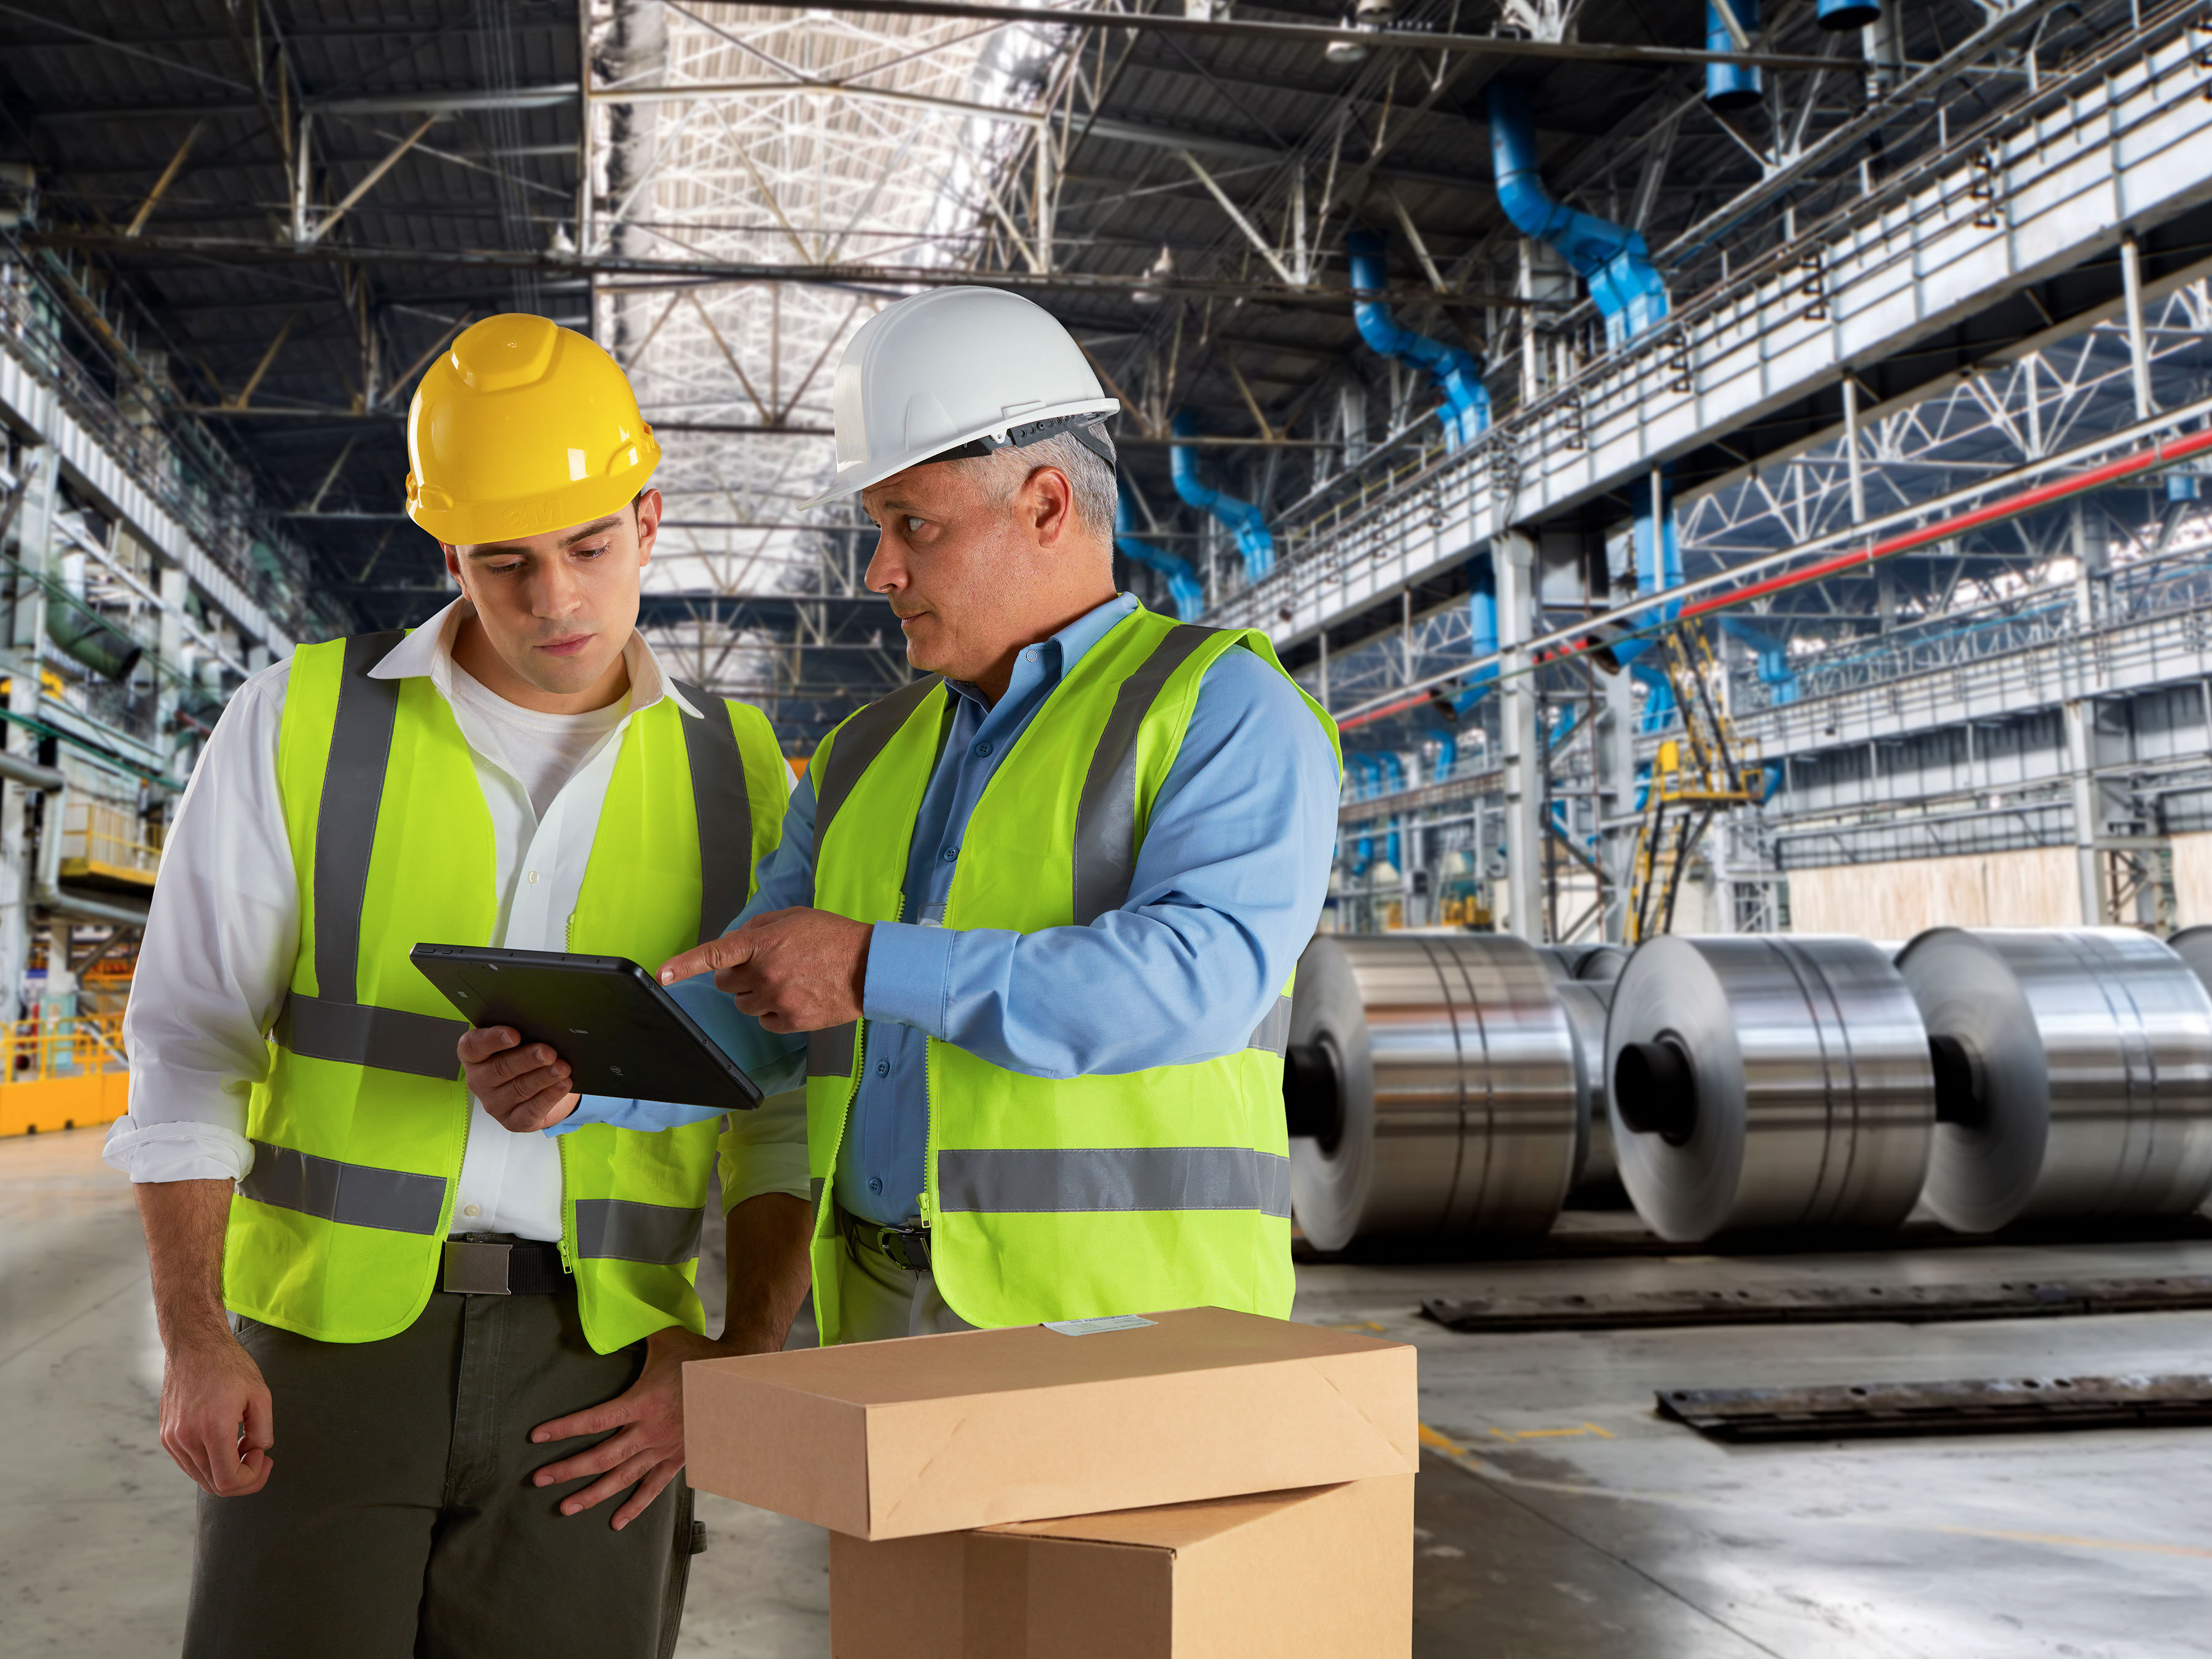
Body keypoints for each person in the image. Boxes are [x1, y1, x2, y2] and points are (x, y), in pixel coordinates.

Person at [103, 315, 815, 1658]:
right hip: (323, 1350)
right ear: (449, 554)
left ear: (649, 520)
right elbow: (191, 1043)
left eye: (592, 548)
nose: (556, 599)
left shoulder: (742, 773)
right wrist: (195, 1337)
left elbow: (784, 1096)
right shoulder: (298, 721)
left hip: (603, 1366)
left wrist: (739, 1357)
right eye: (507, 561)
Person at [479, 288, 1341, 1344]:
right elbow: (760, 1001)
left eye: (912, 527)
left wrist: (874, 967)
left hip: (1140, 1329)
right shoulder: (859, 756)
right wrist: (584, 1082)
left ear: (1046, 506)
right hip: (879, 1314)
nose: (880, 572)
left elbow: (1197, 981)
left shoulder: (1221, 706)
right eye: (878, 527)